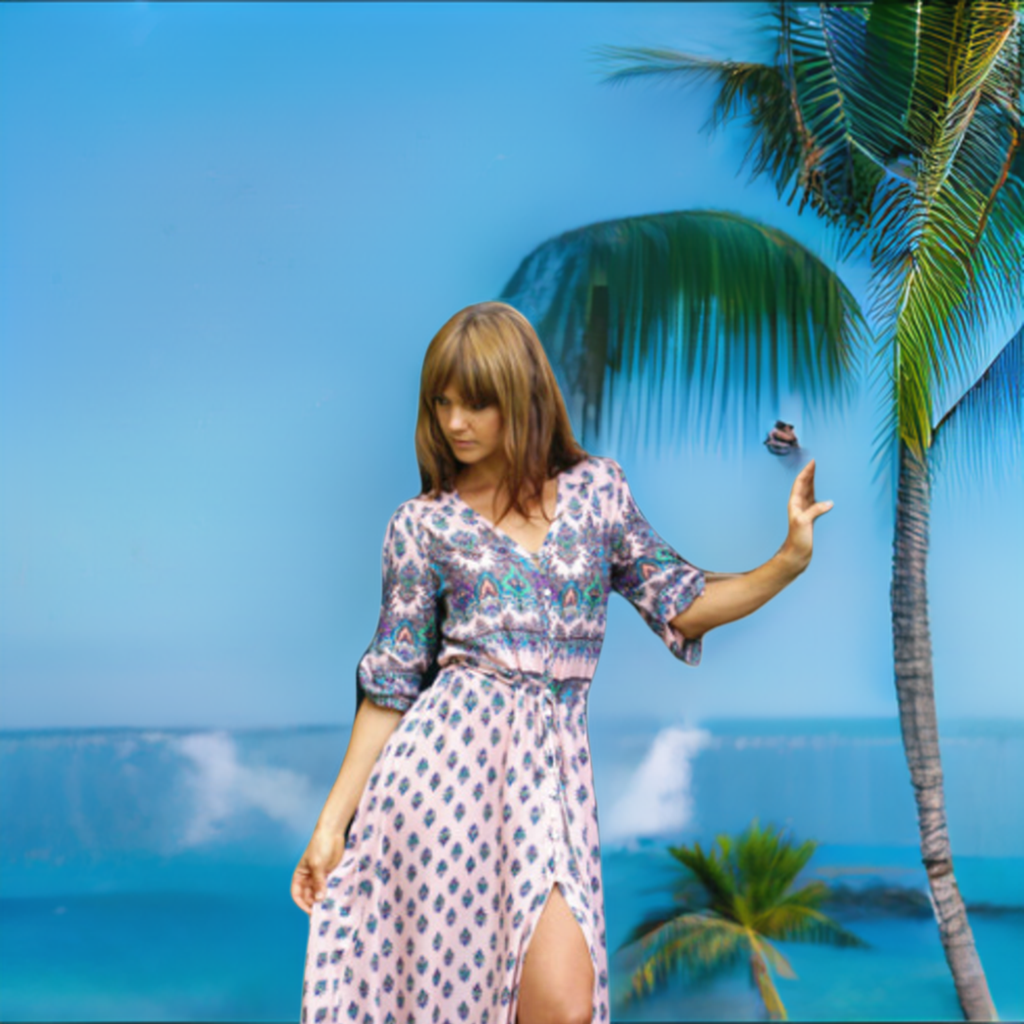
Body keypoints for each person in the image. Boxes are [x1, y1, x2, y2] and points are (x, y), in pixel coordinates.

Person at [292, 301, 833, 1024]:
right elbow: (390, 685)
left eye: (476, 403)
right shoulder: (422, 526)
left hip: (555, 777)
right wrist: (333, 825)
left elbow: (681, 602)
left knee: (563, 1006)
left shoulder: (597, 493)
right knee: (457, 1002)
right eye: (442, 403)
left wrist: (788, 561)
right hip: (440, 788)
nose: (455, 423)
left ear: (521, 396)